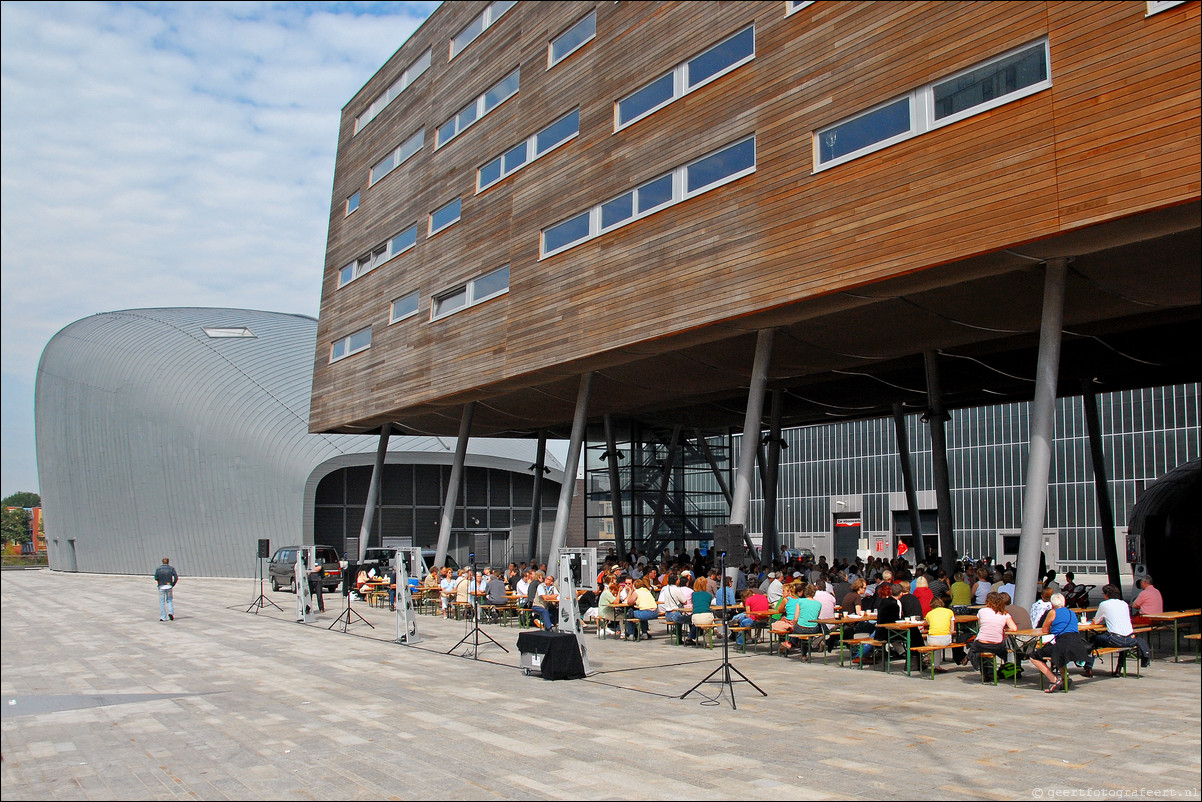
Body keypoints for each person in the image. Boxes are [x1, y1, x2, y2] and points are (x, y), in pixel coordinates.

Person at [1084, 584, 1152, 676]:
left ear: (1106, 594)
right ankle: (1119, 669)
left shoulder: (1104, 604)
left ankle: (1088, 668)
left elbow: (1096, 621)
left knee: (1093, 639)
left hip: (1115, 639)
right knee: (1122, 647)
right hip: (1130, 639)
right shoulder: (1124, 604)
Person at [1029, 593, 1091, 692]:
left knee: (1034, 656)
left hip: (1063, 644)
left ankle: (1053, 679)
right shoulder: (1072, 613)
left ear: (1052, 604)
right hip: (1077, 644)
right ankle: (1064, 678)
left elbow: (1045, 630)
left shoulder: (1053, 612)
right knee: (1056, 652)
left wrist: (1054, 628)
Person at [963, 591, 1016, 674]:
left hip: (981, 644)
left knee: (974, 646)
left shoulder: (982, 611)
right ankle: (1004, 666)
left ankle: (981, 669)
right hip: (997, 645)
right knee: (1004, 651)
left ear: (987, 602)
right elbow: (1014, 628)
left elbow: (980, 627)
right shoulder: (1005, 614)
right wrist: (1004, 630)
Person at [923, 597, 955, 672]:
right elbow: (952, 628)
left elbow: (927, 624)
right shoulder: (949, 611)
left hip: (933, 639)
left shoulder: (929, 614)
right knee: (938, 647)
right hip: (946, 639)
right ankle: (936, 665)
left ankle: (929, 659)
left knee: (934, 645)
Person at [688, 577, 714, 646]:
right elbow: (707, 606)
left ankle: (691, 637)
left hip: (695, 618)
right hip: (706, 617)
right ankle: (708, 642)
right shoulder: (709, 595)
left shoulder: (693, 594)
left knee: (701, 620)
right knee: (708, 624)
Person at [154, 557, 179, 621]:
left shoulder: (158, 569)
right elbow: (176, 577)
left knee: (162, 602)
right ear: (168, 562)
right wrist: (172, 584)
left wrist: (159, 580)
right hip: (169, 586)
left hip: (161, 586)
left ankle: (163, 617)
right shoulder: (171, 569)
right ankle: (171, 612)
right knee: (169, 600)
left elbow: (155, 577)